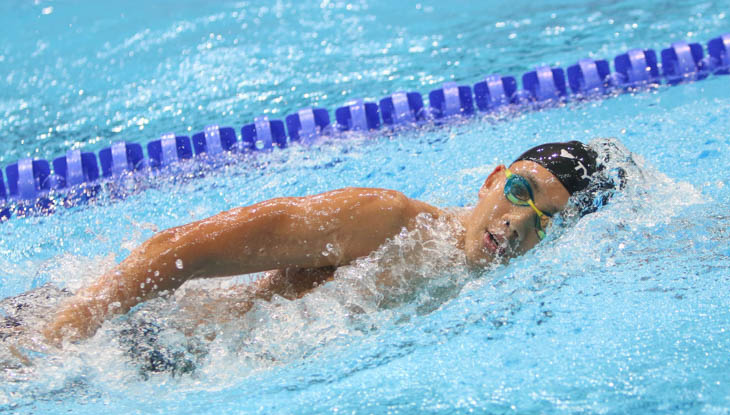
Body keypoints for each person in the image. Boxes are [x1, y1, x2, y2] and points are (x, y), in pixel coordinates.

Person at [41, 140, 620, 347]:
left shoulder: (484, 288)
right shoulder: (388, 221)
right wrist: (56, 340)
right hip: (130, 337)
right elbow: (173, 250)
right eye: (519, 192)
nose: (519, 222)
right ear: (492, 179)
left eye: (545, 221)